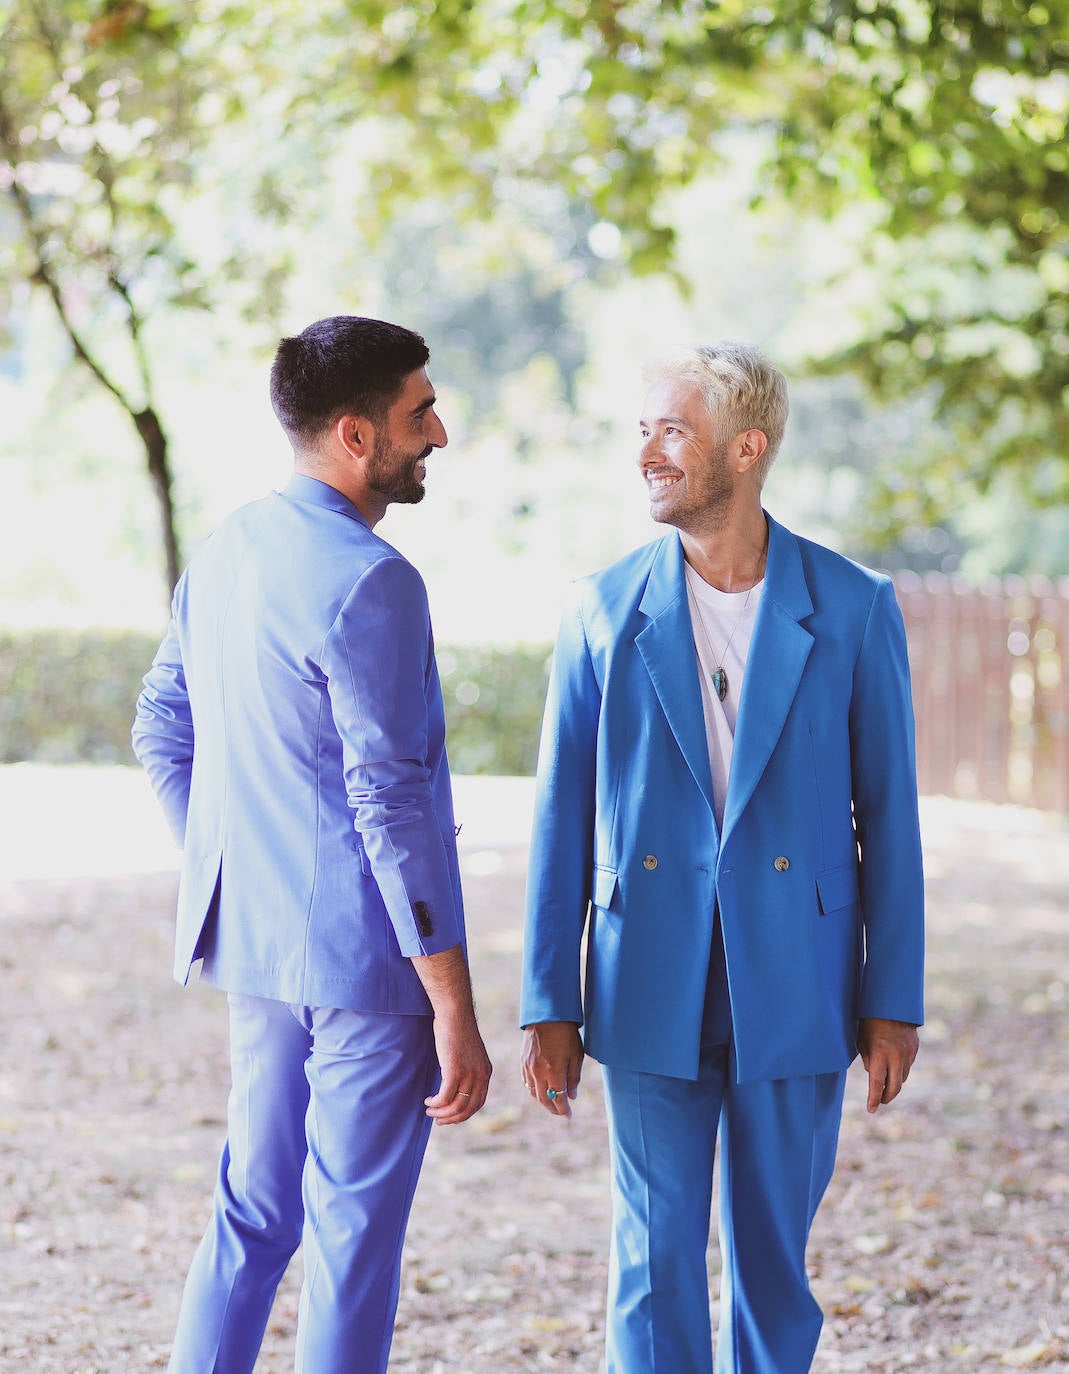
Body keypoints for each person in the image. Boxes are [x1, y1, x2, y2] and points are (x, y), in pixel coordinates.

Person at [520, 341, 924, 1373]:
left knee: (772, 1262)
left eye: (671, 430)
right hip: (645, 972)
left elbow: (888, 816)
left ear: (746, 449)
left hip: (798, 978)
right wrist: (547, 1004)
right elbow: (560, 819)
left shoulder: (852, 606)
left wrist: (893, 998)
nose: (647, 453)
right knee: (651, 1263)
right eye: (642, 430)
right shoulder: (598, 611)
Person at [132, 315, 492, 1374]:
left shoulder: (229, 545)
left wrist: (232, 869)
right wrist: (454, 1000)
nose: (438, 432)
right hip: (367, 968)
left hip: (255, 945)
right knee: (350, 1243)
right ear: (353, 433)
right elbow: (390, 801)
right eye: (419, 411)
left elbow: (161, 725)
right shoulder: (375, 581)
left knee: (252, 1215)